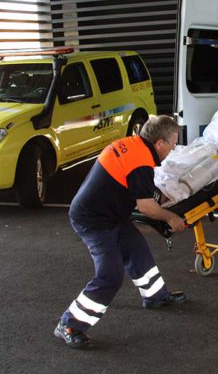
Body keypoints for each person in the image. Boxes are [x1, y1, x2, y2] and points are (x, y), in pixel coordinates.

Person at [54, 115, 187, 349]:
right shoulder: (142, 162)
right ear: (159, 143)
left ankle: (157, 296)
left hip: (109, 214)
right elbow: (145, 207)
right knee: (110, 275)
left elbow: (136, 186)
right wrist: (171, 217)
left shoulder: (131, 145)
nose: (172, 151)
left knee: (137, 250)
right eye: (172, 145)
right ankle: (70, 324)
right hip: (94, 220)